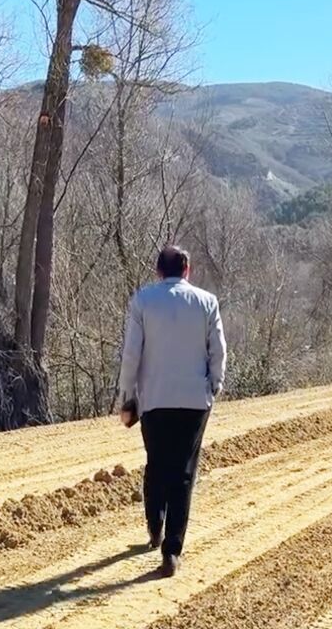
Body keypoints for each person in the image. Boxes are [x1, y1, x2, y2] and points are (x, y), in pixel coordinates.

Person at [116, 245, 227, 578]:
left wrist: (127, 395)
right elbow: (218, 350)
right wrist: (214, 385)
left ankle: (155, 526)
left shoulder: (143, 301)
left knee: (156, 462)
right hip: (194, 401)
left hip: (154, 398)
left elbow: (131, 354)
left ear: (158, 271)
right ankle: (172, 551)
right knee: (183, 473)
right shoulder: (207, 302)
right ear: (187, 270)